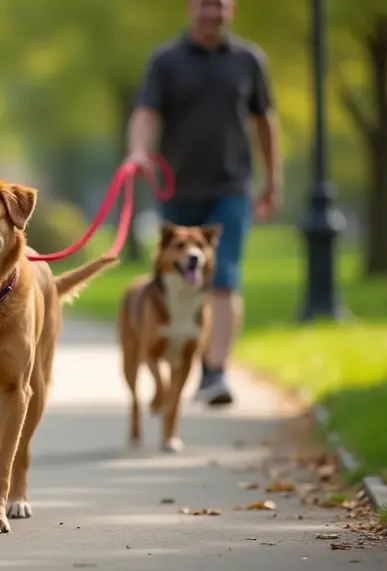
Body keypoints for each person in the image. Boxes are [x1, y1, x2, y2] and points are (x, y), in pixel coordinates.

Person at [124, 0, 282, 406]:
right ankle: (179, 354)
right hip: (175, 191)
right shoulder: (166, 61)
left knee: (224, 275)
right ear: (190, 7)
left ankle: (215, 373)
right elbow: (146, 113)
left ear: (232, 8)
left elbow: (265, 121)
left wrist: (272, 179)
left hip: (231, 189)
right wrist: (138, 151)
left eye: (219, 4)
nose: (211, 12)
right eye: (203, 4)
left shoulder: (248, 60)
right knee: (176, 278)